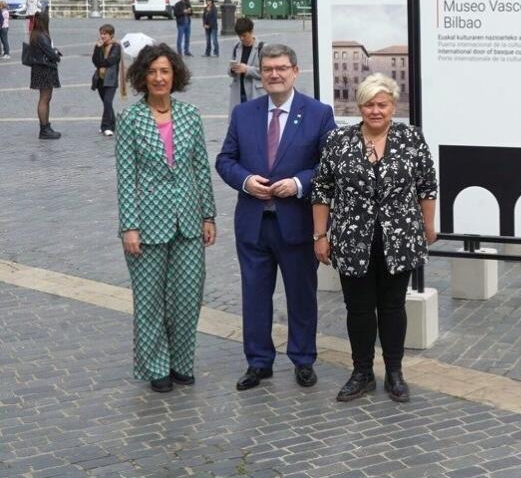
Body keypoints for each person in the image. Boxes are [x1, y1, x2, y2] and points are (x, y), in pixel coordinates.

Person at [216, 44, 337, 392]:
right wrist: (245, 180)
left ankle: (303, 359)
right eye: (268, 68)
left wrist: (299, 183)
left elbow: (329, 166)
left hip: (296, 224)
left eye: (281, 68)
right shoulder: (244, 113)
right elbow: (226, 159)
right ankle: (258, 362)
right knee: (254, 295)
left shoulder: (317, 113)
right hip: (253, 223)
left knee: (301, 296)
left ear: (295, 71)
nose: (274, 74)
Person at [312, 73, 438, 404]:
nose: (375, 111)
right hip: (353, 238)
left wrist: (428, 226)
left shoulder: (411, 138)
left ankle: (394, 372)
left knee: (394, 306)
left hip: (400, 238)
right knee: (359, 308)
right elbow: (322, 188)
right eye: (369, 104)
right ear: (360, 107)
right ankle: (362, 372)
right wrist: (320, 234)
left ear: (393, 106)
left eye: (382, 104)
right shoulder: (340, 140)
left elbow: (427, 185)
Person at [116, 43, 217, 393]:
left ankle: (181, 362)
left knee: (188, 297)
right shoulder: (130, 118)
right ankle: (156, 365)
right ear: (143, 76)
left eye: (165, 71)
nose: (159, 78)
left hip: (188, 221)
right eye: (152, 72)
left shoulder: (190, 114)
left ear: (175, 75)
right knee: (149, 301)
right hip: (146, 225)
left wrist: (208, 214)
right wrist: (129, 226)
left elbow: (200, 168)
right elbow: (126, 177)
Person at [27, 11, 62, 140]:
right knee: (44, 99)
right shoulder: (41, 36)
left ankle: (46, 126)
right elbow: (50, 53)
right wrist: (56, 55)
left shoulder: (36, 34)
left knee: (46, 99)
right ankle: (44, 129)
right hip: (44, 69)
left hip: (41, 68)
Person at [228, 17, 266, 111]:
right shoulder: (236, 46)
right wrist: (232, 69)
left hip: (255, 93)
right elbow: (229, 71)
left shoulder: (263, 48)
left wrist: (247, 69)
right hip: (238, 94)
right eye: (239, 36)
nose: (242, 38)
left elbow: (266, 72)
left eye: (244, 35)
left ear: (251, 31)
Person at [91, 23, 123, 136]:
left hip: (110, 79)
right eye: (101, 33)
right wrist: (98, 48)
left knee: (108, 102)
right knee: (106, 103)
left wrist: (101, 62)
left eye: (105, 34)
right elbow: (95, 61)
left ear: (111, 35)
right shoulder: (100, 46)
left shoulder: (116, 47)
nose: (102, 36)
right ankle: (106, 125)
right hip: (100, 79)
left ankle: (109, 127)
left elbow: (110, 61)